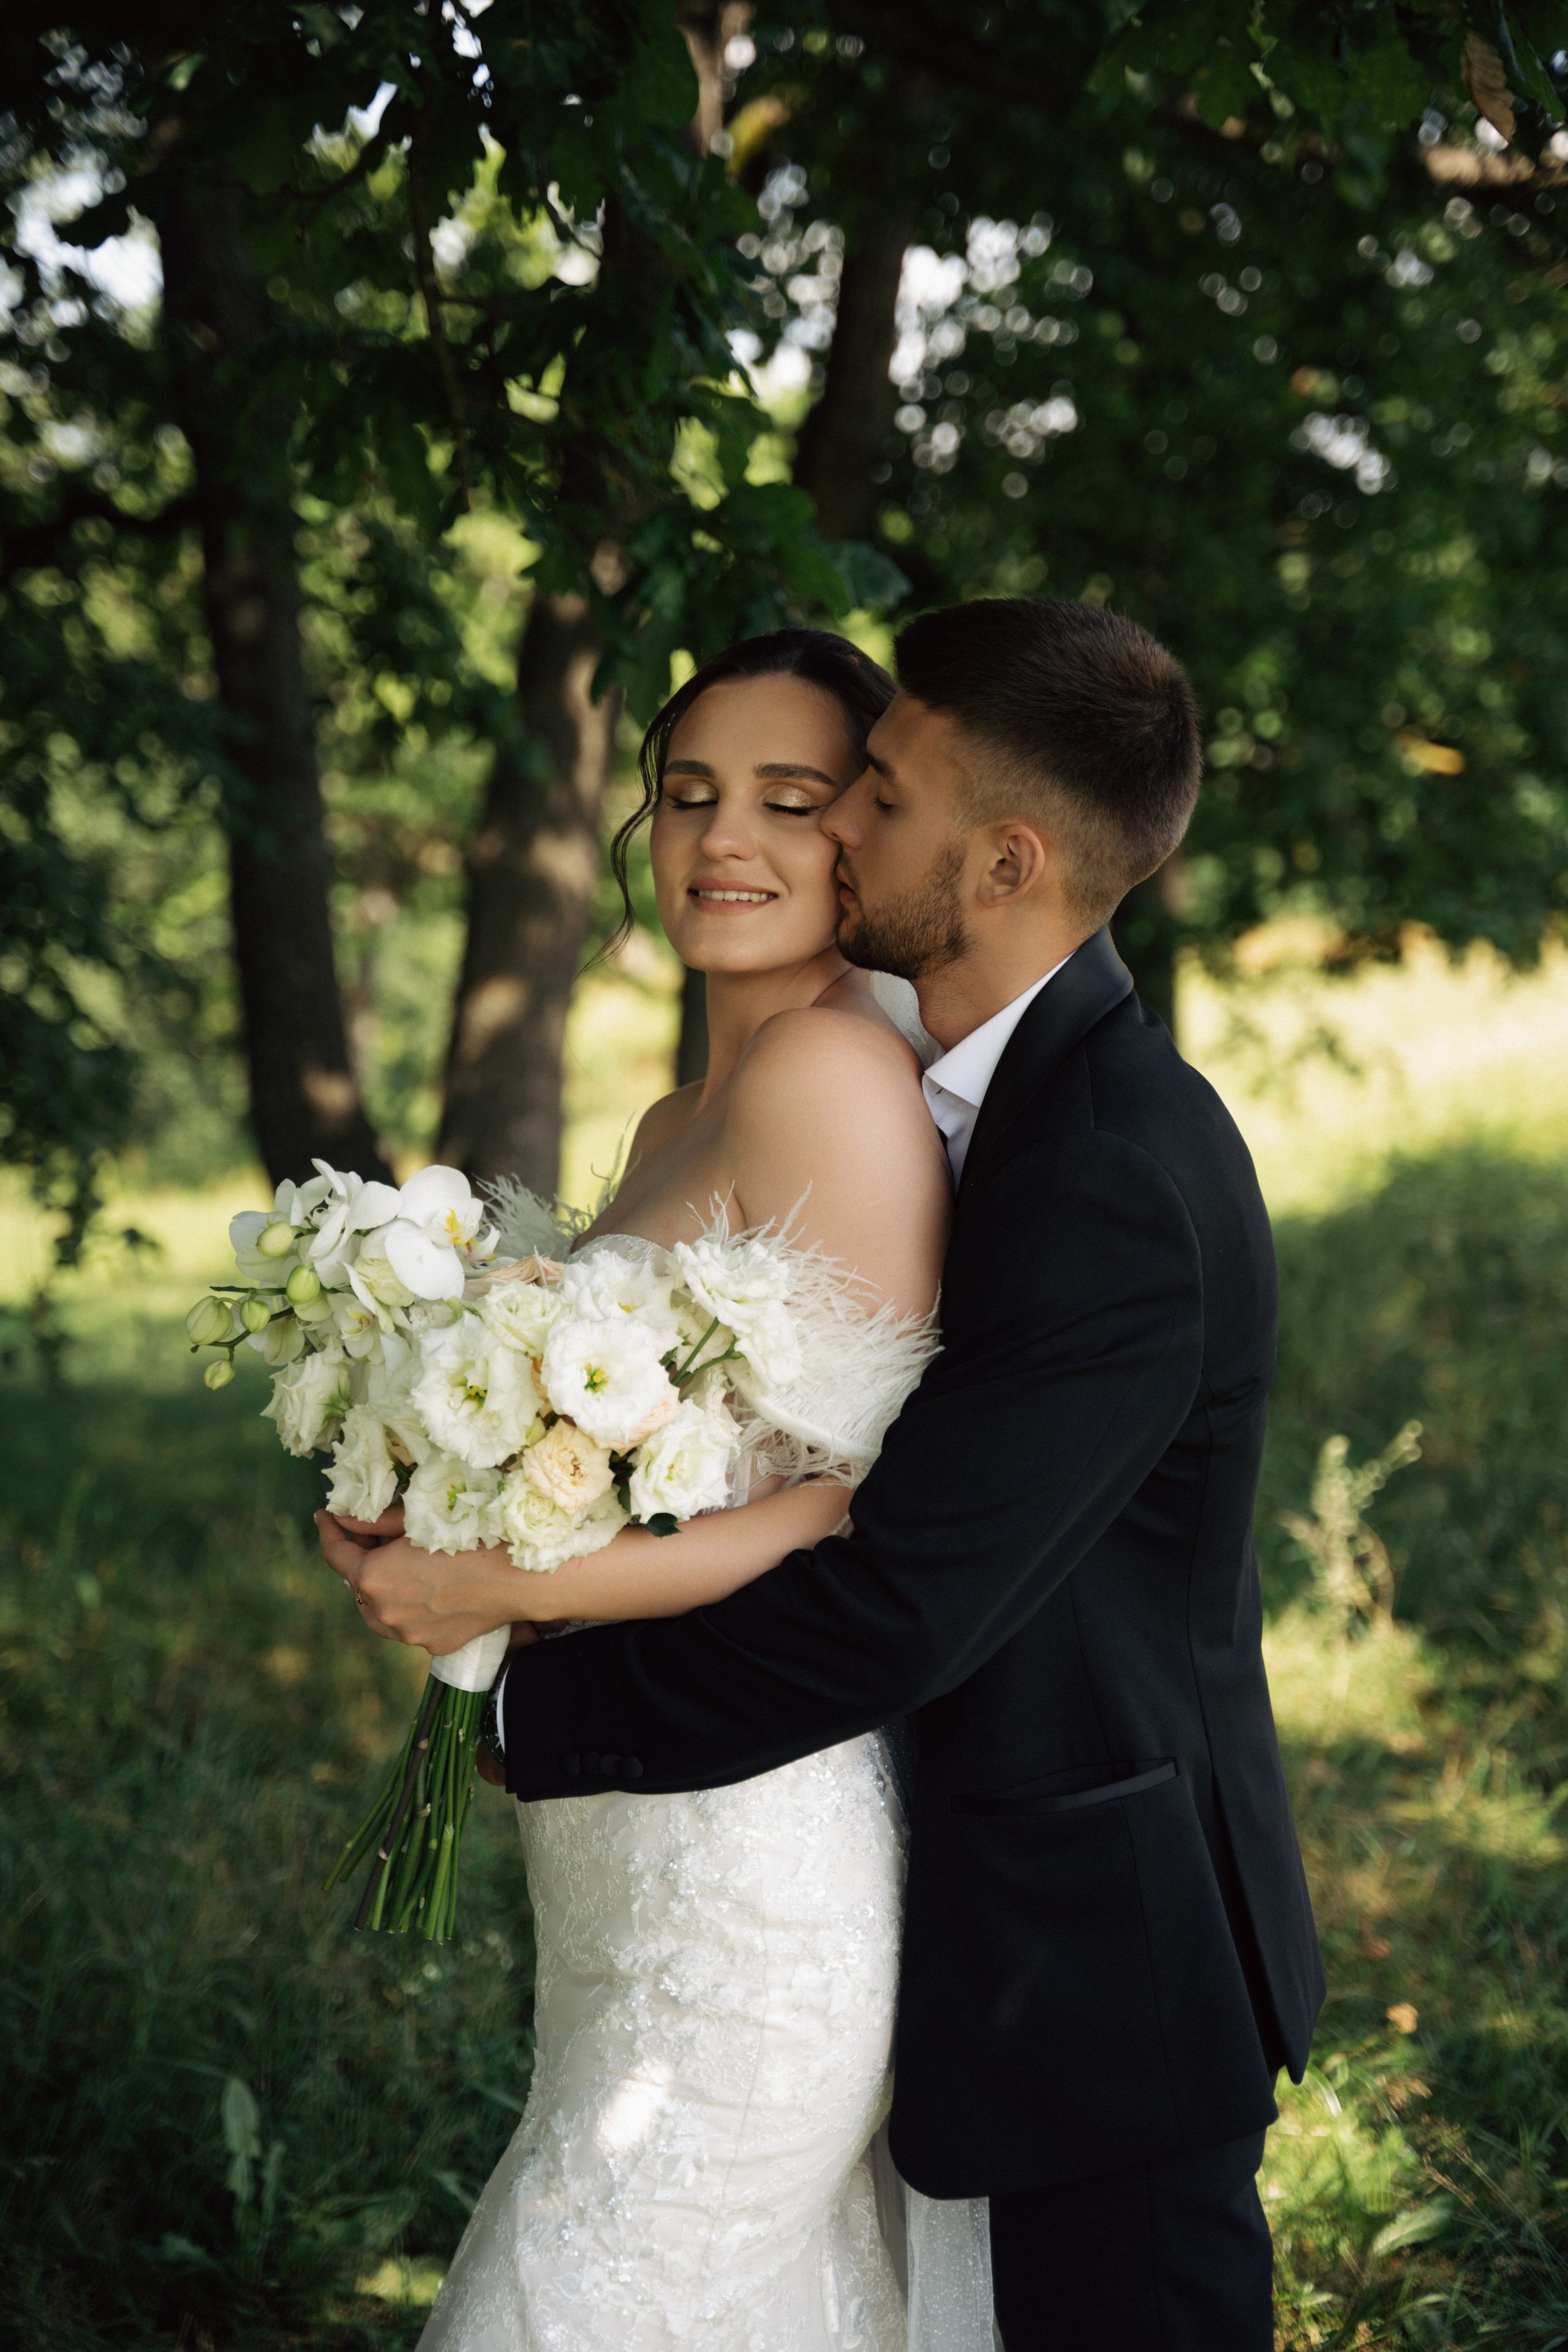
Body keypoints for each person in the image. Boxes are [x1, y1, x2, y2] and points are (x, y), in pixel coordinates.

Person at [324, 598, 1325, 2351]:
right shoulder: (964, 1094)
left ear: (1003, 858)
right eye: (709, 791)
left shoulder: (1102, 1160)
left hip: (1098, 1964)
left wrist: (521, 1689)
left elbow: (889, 1591)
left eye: (863, 793)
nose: (827, 831)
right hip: (929, 1908)